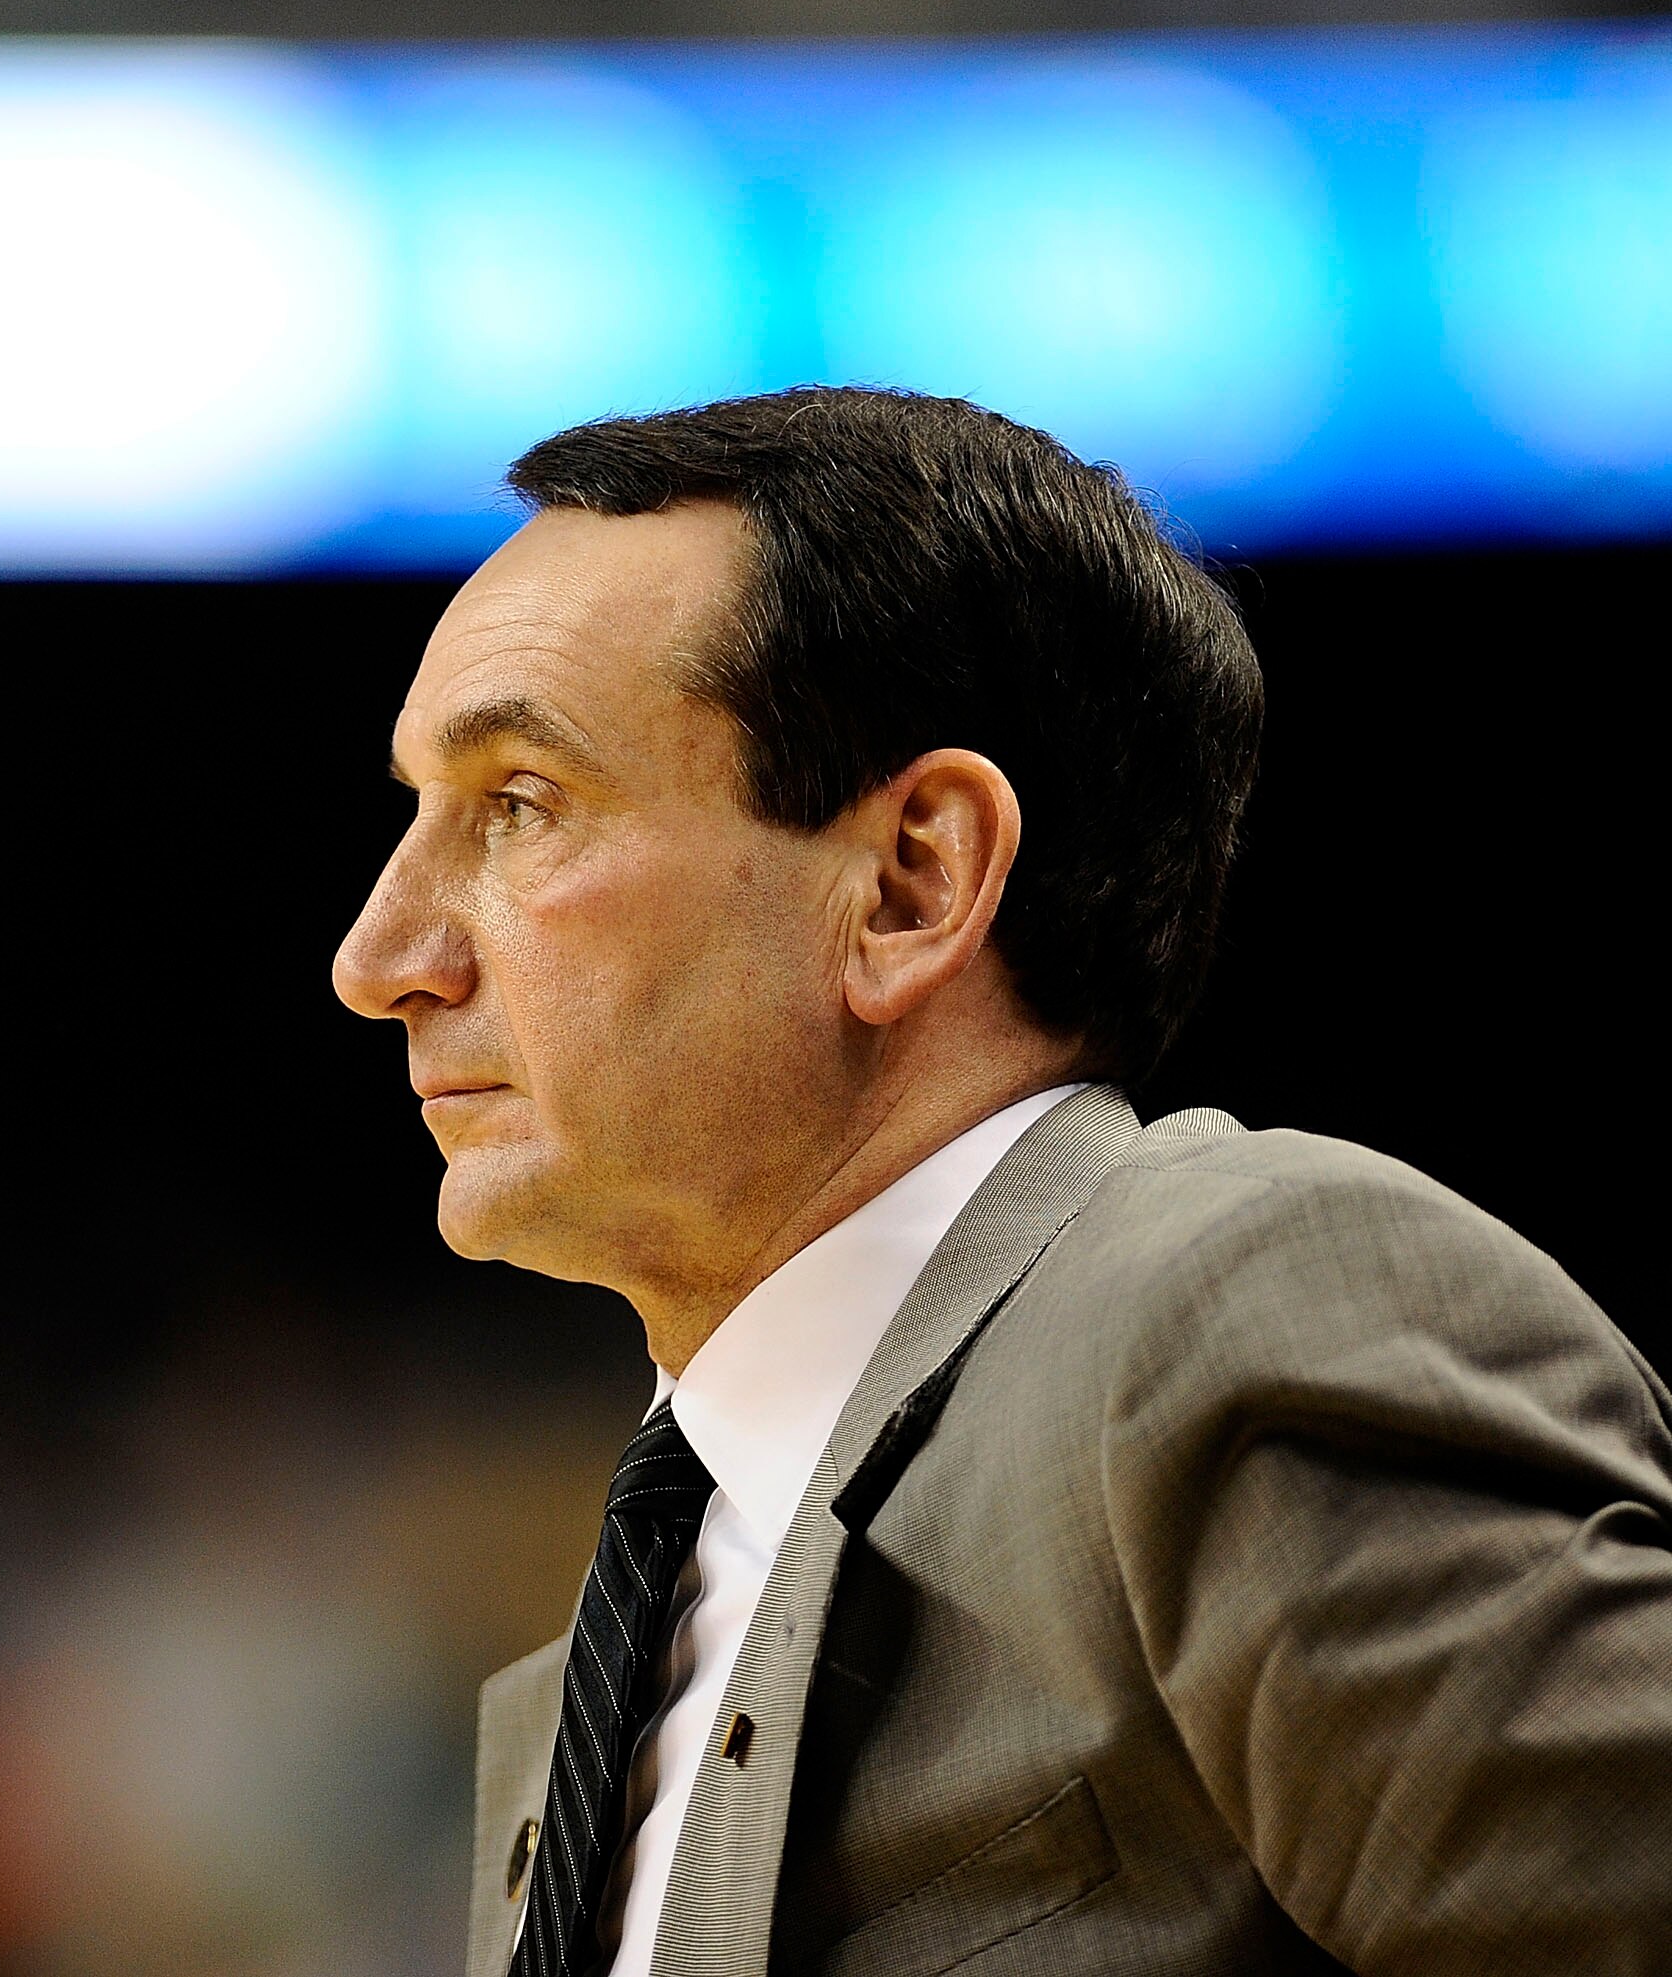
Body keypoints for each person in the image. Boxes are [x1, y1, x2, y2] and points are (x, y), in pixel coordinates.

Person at [331, 388, 1671, 1977]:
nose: (378, 959)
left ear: (911, 883)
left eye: (520, 804)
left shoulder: (1226, 1311)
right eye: (419, 815)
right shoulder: (591, 1681)